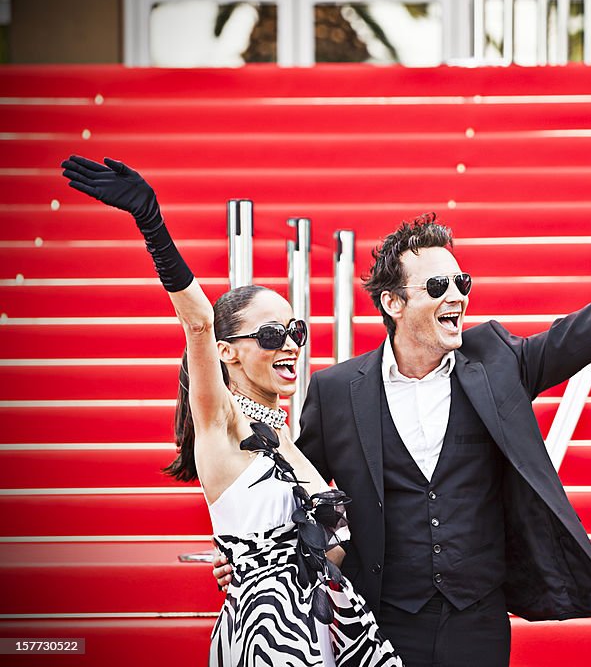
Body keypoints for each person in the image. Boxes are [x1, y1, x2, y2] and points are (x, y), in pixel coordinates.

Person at [215, 211, 591, 666]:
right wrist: (249, 555)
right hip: (381, 621)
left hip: (478, 618)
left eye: (462, 282)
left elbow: (583, 334)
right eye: (438, 287)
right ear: (394, 303)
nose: (458, 297)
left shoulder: (496, 361)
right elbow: (289, 489)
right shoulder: (336, 391)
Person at [60, 155, 403, 667]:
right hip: (271, 635)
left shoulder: (288, 436)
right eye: (269, 335)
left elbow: (329, 548)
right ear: (228, 352)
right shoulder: (221, 424)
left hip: (330, 625)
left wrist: (256, 560)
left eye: (296, 331)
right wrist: (152, 223)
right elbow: (199, 320)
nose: (289, 344)